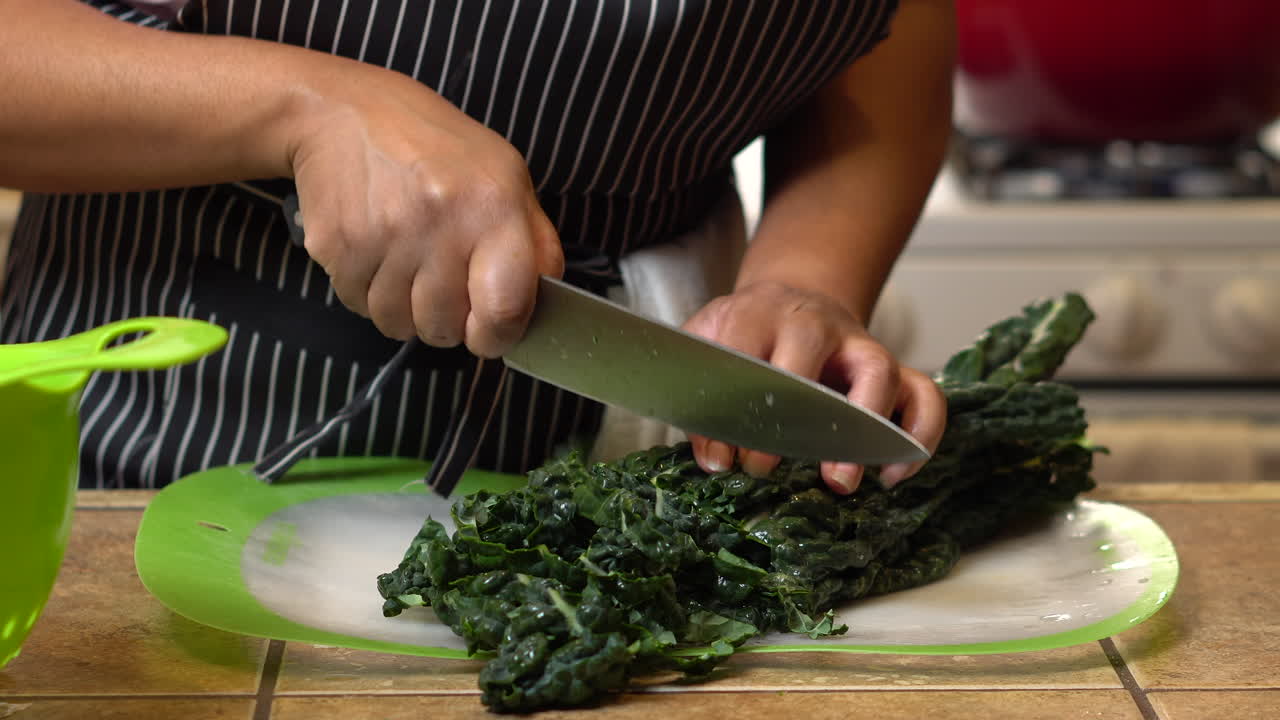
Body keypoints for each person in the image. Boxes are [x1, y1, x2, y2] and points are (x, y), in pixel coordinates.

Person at [0, 0, 952, 494]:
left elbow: (875, 49)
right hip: (149, 441)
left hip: (631, 457)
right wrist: (311, 106)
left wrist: (805, 277)